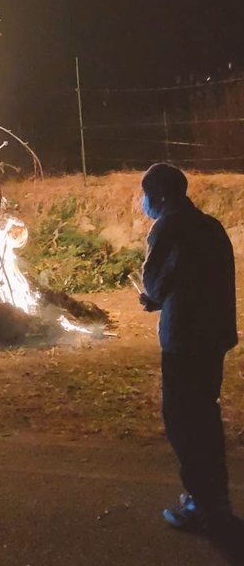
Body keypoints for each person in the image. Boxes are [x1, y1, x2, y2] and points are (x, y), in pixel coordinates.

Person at [139, 162, 238, 535]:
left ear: (160, 196)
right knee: (206, 417)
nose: (144, 202)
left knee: (184, 422)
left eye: (146, 194)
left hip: (184, 342)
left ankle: (201, 504)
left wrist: (152, 297)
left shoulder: (169, 226)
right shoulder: (211, 227)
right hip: (213, 339)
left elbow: (154, 282)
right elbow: (193, 281)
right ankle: (216, 499)